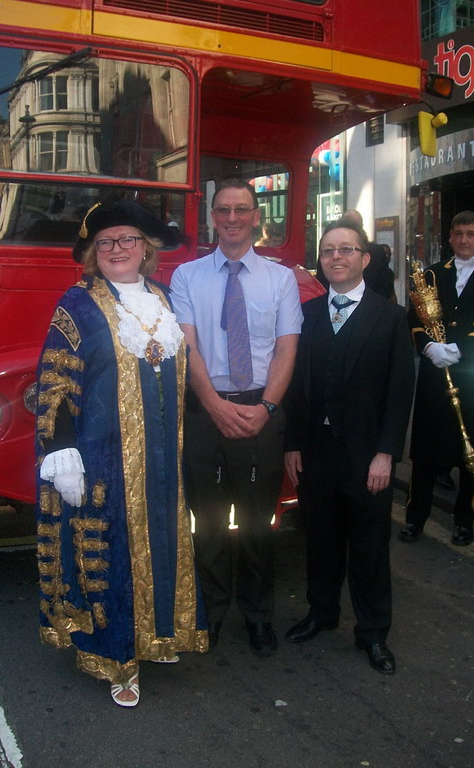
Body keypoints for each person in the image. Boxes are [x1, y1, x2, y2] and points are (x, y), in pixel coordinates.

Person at [35, 200, 208, 708]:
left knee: (165, 542)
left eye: (128, 239)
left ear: (145, 248)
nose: (117, 249)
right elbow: (54, 380)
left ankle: (158, 636)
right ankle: (117, 660)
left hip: (162, 459)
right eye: (106, 242)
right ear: (93, 251)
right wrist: (61, 450)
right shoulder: (77, 304)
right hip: (104, 460)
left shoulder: (162, 297)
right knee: (111, 557)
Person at [170, 178, 302, 656]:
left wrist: (266, 409)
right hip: (204, 412)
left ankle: (258, 616)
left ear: (255, 217)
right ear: (212, 217)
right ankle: (210, 612)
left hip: (261, 411)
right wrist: (213, 404)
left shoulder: (281, 279)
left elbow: (286, 349)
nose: (232, 218)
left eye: (241, 209)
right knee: (206, 522)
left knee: (257, 522)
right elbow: (187, 347)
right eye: (223, 210)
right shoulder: (186, 277)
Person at [284, 218, 415, 675]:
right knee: (320, 539)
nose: (336, 257)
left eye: (346, 249)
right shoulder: (306, 314)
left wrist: (386, 453)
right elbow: (297, 387)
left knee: (369, 546)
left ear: (365, 258)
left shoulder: (391, 317)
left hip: (367, 456)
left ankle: (373, 632)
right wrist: (293, 444)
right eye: (328, 251)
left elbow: (400, 392)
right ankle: (321, 612)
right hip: (316, 451)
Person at [400, 211, 474, 547]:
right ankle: (415, 517)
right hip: (434, 374)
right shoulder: (433, 273)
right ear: (451, 237)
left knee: (472, 451)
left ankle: (466, 520)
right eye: (459, 234)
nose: (464, 240)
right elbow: (414, 319)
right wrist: (428, 347)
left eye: (471, 234)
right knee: (425, 452)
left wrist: (461, 349)